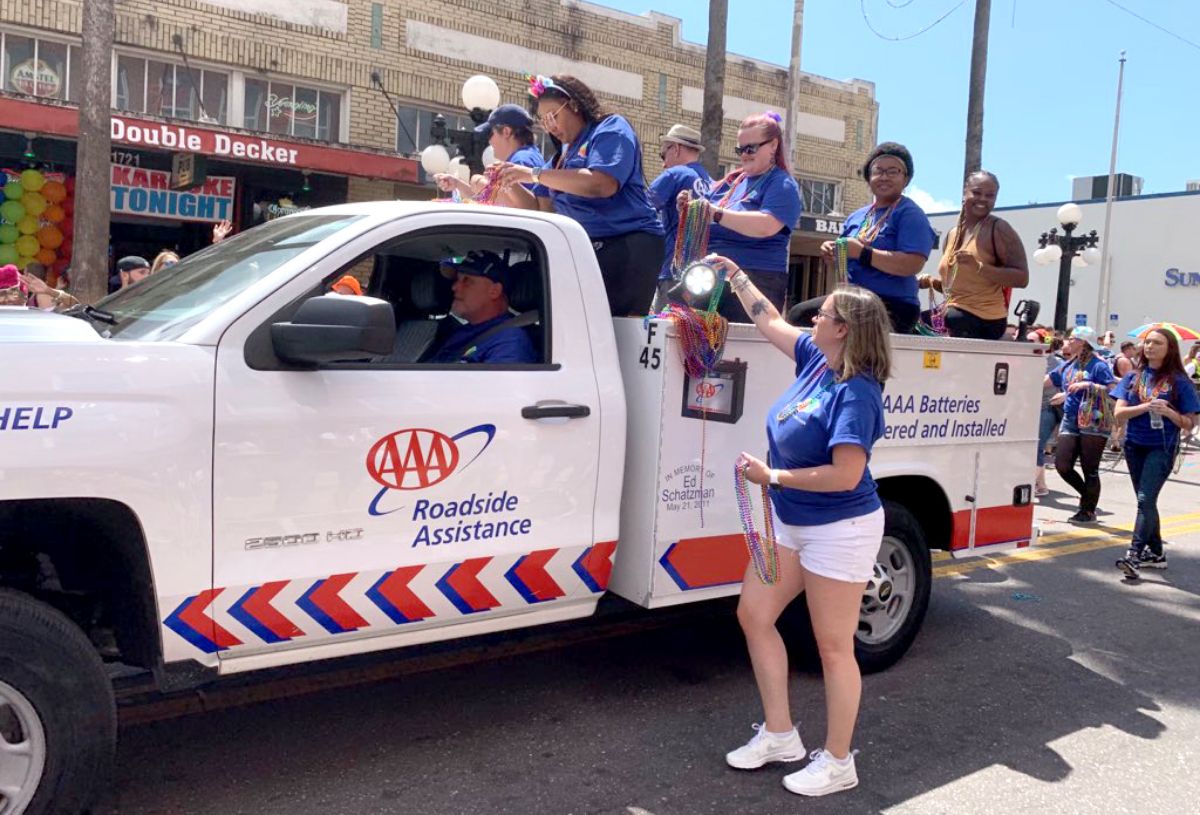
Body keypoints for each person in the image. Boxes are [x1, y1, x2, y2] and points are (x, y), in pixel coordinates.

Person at [710, 252, 889, 798]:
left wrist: (774, 477)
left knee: (833, 647)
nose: (812, 319)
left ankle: (838, 762)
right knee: (754, 614)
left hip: (841, 526)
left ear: (844, 330)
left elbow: (844, 475)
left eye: (823, 314)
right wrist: (734, 275)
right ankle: (781, 735)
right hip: (791, 522)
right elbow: (767, 319)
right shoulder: (816, 357)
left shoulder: (856, 392)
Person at [496, 74, 663, 316]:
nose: (550, 125)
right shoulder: (560, 158)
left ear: (573, 104)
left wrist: (533, 174)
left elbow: (602, 184)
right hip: (589, 247)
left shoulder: (610, 128)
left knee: (613, 327)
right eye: (544, 120)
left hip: (629, 243)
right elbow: (541, 209)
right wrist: (510, 180)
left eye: (553, 115)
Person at [789, 142, 934, 334]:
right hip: (851, 298)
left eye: (893, 171)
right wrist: (832, 253)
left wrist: (863, 253)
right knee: (798, 315)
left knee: (825, 325)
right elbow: (844, 260)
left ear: (906, 179)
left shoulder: (910, 213)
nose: (884, 177)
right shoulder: (858, 216)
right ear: (868, 177)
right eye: (878, 170)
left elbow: (912, 264)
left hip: (891, 304)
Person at [1111, 328, 1200, 578]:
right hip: (1134, 445)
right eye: (1147, 342)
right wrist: (1144, 406)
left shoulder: (1179, 381)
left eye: (1157, 343)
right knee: (1146, 501)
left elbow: (1190, 423)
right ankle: (1157, 553)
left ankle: (1134, 555)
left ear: (1169, 348)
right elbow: (1118, 414)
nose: (1149, 346)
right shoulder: (1133, 377)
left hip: (1162, 447)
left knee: (1144, 499)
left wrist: (1170, 413)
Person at [700, 112, 802, 323]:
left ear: (773, 145)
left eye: (751, 148)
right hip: (710, 277)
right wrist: (689, 208)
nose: (744, 155)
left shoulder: (782, 183)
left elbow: (766, 226)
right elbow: (702, 215)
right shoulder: (729, 183)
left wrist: (716, 213)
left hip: (755, 279)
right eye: (740, 149)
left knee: (739, 351)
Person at [916, 171, 1028, 340]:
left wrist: (979, 267)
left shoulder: (999, 229)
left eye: (990, 195)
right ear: (964, 193)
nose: (982, 199)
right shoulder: (953, 234)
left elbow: (1022, 278)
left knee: (941, 320)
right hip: (956, 311)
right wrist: (931, 282)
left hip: (984, 319)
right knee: (911, 319)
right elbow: (958, 289)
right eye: (976, 192)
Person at [1049, 326, 1116, 524]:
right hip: (1071, 418)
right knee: (1062, 464)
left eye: (1071, 339)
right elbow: (1050, 379)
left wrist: (1089, 385)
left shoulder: (1098, 365)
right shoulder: (1069, 364)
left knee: (1090, 468)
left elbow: (1112, 390)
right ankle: (1087, 496)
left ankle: (1087, 510)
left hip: (1093, 419)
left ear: (1082, 342)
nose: (1067, 342)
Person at [427, 251, 537, 364]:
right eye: (456, 280)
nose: (454, 286)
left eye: (467, 281)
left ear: (494, 291)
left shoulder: (510, 340)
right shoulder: (460, 331)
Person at [647, 124, 712, 303]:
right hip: (704, 276)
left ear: (675, 148)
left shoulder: (675, 174)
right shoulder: (712, 183)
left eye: (663, 154)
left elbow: (642, 211)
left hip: (673, 272)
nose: (663, 163)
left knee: (668, 329)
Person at [435, 104, 544, 198]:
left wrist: (478, 182)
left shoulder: (520, 161)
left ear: (506, 132)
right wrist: (458, 184)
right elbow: (496, 200)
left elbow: (510, 209)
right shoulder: (529, 156)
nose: (489, 141)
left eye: (490, 134)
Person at [1035, 335, 1066, 497]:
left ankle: (1033, 482)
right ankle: (1041, 484)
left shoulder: (1057, 364)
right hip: (1028, 409)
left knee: (1036, 446)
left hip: (1047, 408)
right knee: (1034, 447)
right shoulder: (1026, 359)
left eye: (1033, 341)